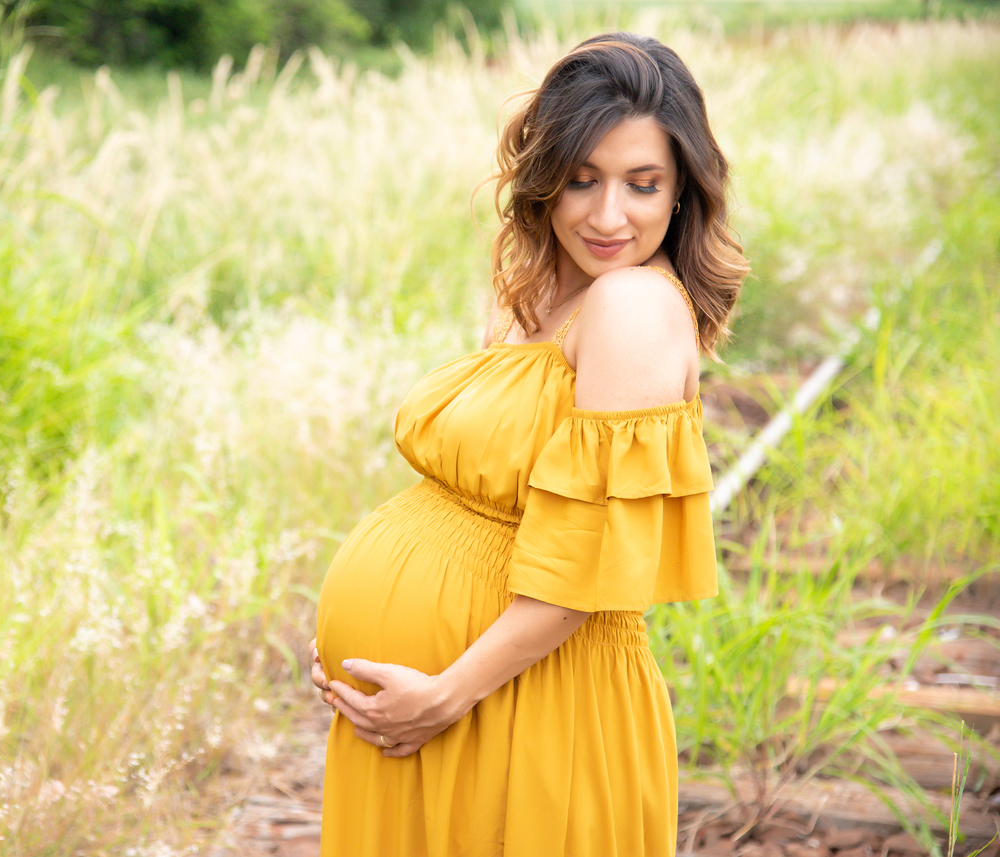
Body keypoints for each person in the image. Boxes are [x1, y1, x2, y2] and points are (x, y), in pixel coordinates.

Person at [308, 31, 748, 856]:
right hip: (438, 707)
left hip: (523, 707)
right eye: (581, 179)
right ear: (545, 179)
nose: (607, 215)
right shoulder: (543, 288)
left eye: (642, 184)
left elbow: (583, 567)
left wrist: (443, 693)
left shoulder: (631, 306)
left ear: (682, 190)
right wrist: (357, 644)